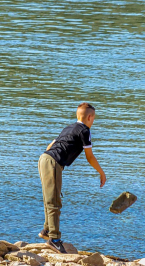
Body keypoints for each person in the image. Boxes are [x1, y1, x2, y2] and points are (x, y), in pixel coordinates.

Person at [38, 103, 106, 253]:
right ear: (89, 117)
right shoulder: (85, 130)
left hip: (44, 158)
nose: (93, 121)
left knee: (49, 198)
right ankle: (54, 239)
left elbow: (52, 144)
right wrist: (101, 173)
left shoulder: (69, 127)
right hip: (53, 162)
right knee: (54, 201)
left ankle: (47, 230)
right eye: (93, 118)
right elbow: (90, 157)